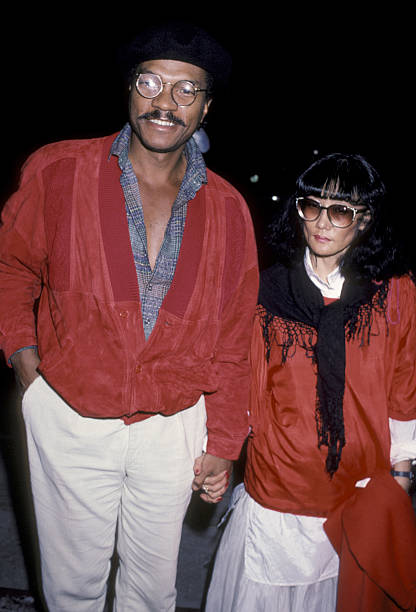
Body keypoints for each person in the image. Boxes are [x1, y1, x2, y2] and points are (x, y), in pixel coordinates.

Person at [0, 21, 259, 611]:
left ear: (205, 107)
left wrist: (223, 438)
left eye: (185, 91)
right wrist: (24, 358)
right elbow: (12, 267)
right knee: (72, 587)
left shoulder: (226, 208)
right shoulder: (59, 171)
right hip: (70, 412)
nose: (165, 103)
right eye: (151, 83)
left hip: (172, 426)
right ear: (129, 90)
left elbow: (234, 336)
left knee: (152, 589)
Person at [205, 153, 416, 612]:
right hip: (278, 484)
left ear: (364, 221)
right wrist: (221, 454)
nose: (322, 222)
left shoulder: (394, 292)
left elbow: (404, 383)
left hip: (357, 486)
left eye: (340, 211)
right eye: (311, 206)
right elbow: (241, 384)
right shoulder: (264, 290)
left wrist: (403, 470)